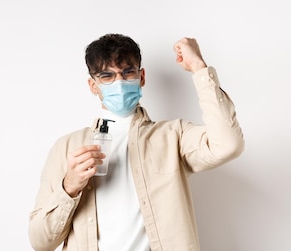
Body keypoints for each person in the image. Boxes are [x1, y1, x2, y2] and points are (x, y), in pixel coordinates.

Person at [28, 33, 244, 251]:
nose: (119, 82)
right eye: (107, 76)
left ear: (141, 77)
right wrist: (69, 187)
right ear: (93, 86)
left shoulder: (172, 136)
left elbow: (229, 145)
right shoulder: (67, 147)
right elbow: (40, 242)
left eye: (127, 72)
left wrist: (199, 67)